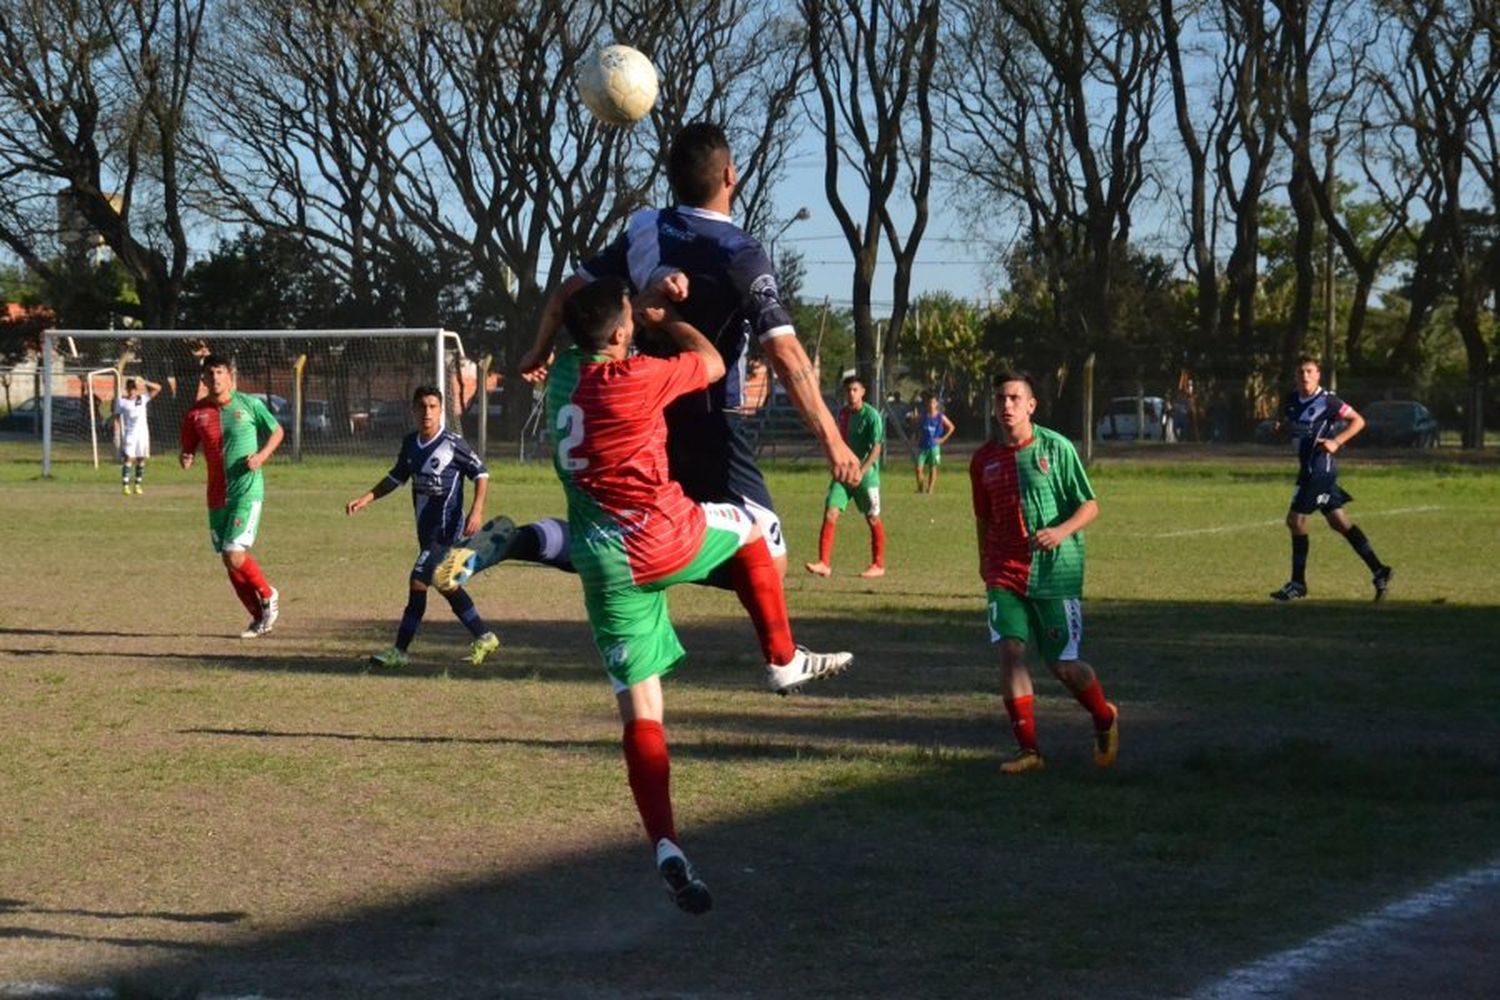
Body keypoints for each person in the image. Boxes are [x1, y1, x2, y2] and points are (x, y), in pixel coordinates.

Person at [548, 277, 851, 914]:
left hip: (604, 564)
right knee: (750, 528)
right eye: (632, 317)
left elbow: (574, 297)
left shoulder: (562, 379)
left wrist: (544, 342)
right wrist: (670, 315)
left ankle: (664, 843)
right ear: (625, 332)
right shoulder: (638, 378)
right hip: (661, 536)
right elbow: (713, 364)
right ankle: (782, 656)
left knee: (641, 708)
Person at [520, 122, 861, 579]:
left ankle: (537, 539)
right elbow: (785, 353)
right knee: (767, 562)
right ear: (729, 176)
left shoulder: (644, 229)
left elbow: (566, 296)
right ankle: (644, 560)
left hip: (646, 415)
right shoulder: (740, 253)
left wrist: (537, 352)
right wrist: (833, 441)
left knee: (630, 533)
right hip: (710, 418)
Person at [970, 372, 1119, 775]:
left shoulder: (1056, 448)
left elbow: (1089, 505)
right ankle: (1029, 751)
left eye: (1015, 398)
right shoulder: (983, 459)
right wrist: (985, 561)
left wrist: (1061, 530)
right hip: (1004, 571)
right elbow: (983, 518)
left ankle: (1104, 718)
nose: (1007, 405)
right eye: (1000, 398)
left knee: (1063, 667)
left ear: (1031, 405)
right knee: (1011, 651)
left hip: (1056, 572)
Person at [345, 386, 501, 668]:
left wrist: (477, 511)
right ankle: (484, 635)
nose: (427, 412)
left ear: (442, 410)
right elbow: (395, 477)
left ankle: (400, 651)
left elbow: (481, 473)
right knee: (445, 583)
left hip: (446, 531)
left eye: (432, 406)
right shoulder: (410, 444)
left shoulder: (453, 444)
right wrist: (366, 498)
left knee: (418, 579)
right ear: (414, 411)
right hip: (425, 531)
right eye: (422, 407)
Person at [1269, 357, 1394, 602]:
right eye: (1300, 372)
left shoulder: (1328, 400)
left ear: (1318, 375)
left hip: (1320, 469)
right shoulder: (1292, 400)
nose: (1304, 376)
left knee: (1296, 521)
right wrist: (1281, 429)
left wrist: (1336, 441)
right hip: (1307, 467)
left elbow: (1359, 421)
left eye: (1309, 371)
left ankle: (1298, 584)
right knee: (1339, 522)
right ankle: (1380, 570)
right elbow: (1293, 427)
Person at [179, 355, 284, 638]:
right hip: (216, 495)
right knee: (228, 559)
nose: (215, 378)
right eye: (209, 373)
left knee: (234, 554)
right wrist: (186, 456)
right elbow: (188, 446)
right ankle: (258, 617)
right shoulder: (196, 413)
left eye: (219, 372)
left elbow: (277, 431)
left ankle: (268, 594)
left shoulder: (249, 404)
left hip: (247, 491)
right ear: (203, 379)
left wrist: (261, 456)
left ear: (229, 376)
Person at [805, 375, 887, 579]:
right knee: (831, 512)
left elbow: (877, 448)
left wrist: (862, 470)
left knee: (872, 517)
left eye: (854, 390)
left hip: (866, 477)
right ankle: (824, 563)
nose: (851, 394)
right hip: (843, 474)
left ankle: (878, 564)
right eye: (848, 390)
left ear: (862, 392)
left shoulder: (872, 416)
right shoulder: (842, 414)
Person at [113, 376, 161, 495]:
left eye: (134, 388)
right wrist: (116, 433)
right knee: (129, 458)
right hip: (130, 433)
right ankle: (125, 485)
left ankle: (138, 485)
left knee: (141, 459)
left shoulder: (142, 398)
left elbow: (158, 388)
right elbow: (117, 418)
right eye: (130, 388)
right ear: (127, 389)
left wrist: (145, 382)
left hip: (143, 434)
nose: (132, 391)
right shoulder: (122, 401)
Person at [914, 394, 955, 494]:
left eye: (933, 403)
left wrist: (942, 439)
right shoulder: (923, 416)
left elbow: (951, 427)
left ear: (936, 404)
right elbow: (918, 427)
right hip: (922, 446)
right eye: (929, 403)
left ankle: (930, 489)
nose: (931, 405)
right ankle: (920, 488)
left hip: (934, 446)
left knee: (932, 467)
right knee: (918, 468)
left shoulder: (940, 417)